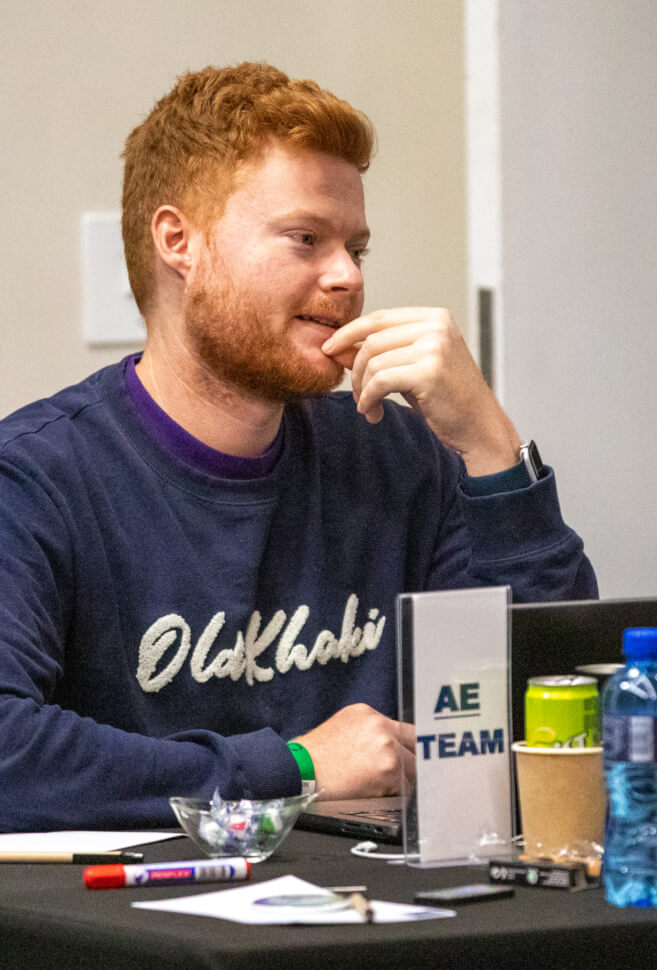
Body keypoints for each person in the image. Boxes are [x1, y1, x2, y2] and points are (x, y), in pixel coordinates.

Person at [0, 62, 596, 831]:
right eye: (306, 239)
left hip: (399, 920)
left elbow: (556, 710)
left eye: (357, 248)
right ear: (178, 240)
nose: (347, 276)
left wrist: (488, 445)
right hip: (155, 930)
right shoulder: (35, 479)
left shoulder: (400, 454)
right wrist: (294, 768)